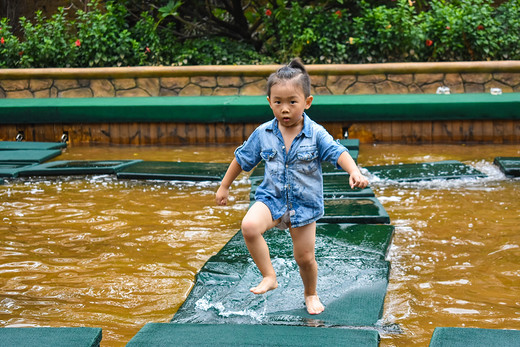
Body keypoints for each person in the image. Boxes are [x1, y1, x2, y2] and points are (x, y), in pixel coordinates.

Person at [215, 58, 368, 315]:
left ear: (307, 102)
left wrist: (354, 170)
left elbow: (337, 151)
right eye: (278, 102)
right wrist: (224, 186)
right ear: (269, 102)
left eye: (292, 102)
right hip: (271, 198)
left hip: (304, 204)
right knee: (249, 227)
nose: (284, 109)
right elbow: (242, 159)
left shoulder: (316, 133)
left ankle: (310, 293)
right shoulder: (263, 133)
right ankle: (269, 276)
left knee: (304, 258)